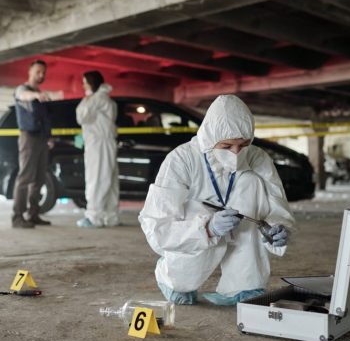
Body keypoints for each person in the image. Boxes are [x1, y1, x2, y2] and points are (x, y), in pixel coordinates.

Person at [139, 95, 294, 305]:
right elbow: (157, 224)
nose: (237, 153)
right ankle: (173, 278)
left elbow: (276, 203)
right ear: (210, 139)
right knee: (184, 275)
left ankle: (245, 283)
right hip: (194, 229)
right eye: (227, 146)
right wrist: (207, 228)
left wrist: (279, 227)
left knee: (252, 181)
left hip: (243, 227)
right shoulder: (182, 159)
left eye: (244, 144)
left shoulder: (258, 158)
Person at [12, 59, 62, 228]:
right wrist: (35, 95)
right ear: (30, 71)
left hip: (42, 138)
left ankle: (33, 214)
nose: (41, 75)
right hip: (28, 137)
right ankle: (17, 217)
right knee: (25, 177)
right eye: (38, 72)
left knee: (39, 178)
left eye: (43, 72)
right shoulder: (23, 89)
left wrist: (49, 137)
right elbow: (22, 96)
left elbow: (44, 118)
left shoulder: (41, 93)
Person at [75, 71, 119, 228]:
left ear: (91, 83)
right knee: (110, 180)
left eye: (85, 82)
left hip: (98, 144)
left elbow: (81, 116)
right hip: (107, 142)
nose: (83, 85)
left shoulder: (96, 99)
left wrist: (86, 98)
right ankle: (110, 216)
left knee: (97, 179)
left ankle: (94, 217)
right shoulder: (106, 98)